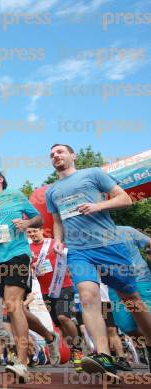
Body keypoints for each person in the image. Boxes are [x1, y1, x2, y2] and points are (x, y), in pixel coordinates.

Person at [45, 143, 151, 382]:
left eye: (60, 152)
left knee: (132, 300)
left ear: (73, 155)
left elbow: (125, 199)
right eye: (51, 155)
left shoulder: (93, 174)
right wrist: (58, 241)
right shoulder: (52, 191)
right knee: (87, 296)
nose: (55, 156)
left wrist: (98, 205)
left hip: (109, 245)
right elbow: (57, 221)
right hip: (79, 250)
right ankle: (103, 356)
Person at [0, 169, 59, 383]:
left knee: (12, 304)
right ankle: (49, 337)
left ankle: (22, 362)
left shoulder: (16, 196)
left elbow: (38, 219)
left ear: (0, 179)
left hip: (18, 254)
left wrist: (27, 224)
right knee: (15, 307)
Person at [26, 227, 81, 369]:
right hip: (47, 291)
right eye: (29, 232)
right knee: (59, 324)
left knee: (64, 317)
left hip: (64, 285)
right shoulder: (27, 249)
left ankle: (78, 349)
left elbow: (70, 256)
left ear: (41, 230)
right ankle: (73, 351)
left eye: (35, 231)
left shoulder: (53, 243)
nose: (33, 234)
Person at [108, 226, 151, 372]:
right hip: (114, 285)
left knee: (148, 318)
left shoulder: (127, 231)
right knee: (126, 326)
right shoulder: (90, 237)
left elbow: (148, 243)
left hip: (141, 280)